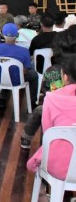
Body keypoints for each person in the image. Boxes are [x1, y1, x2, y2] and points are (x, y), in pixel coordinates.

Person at [20, 27, 76, 149]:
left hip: (55, 125)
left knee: (41, 111)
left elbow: (46, 91)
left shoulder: (52, 71)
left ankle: (27, 138)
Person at [27, 51, 76, 181]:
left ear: (65, 77)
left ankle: (44, 193)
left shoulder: (52, 98)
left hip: (57, 168)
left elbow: (49, 132)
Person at [0, 23, 38, 108]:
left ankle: (2, 97)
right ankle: (32, 102)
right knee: (34, 75)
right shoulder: (24, 51)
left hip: (0, 79)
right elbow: (26, 70)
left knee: (2, 71)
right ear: (17, 35)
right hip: (18, 80)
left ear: (2, 35)